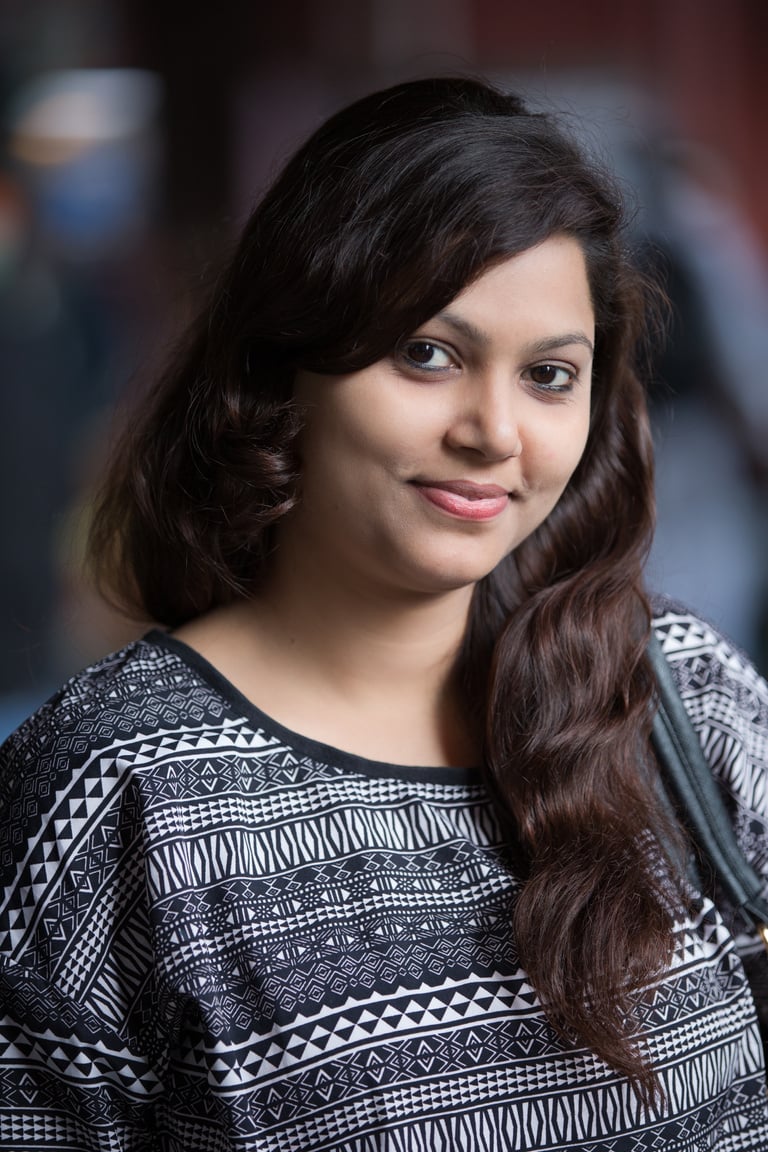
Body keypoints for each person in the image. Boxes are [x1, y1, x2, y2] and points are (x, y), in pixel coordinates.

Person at [0, 76, 767, 1151]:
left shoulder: (681, 695)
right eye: (429, 354)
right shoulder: (121, 794)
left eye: (551, 375)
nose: (494, 432)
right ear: (287, 363)